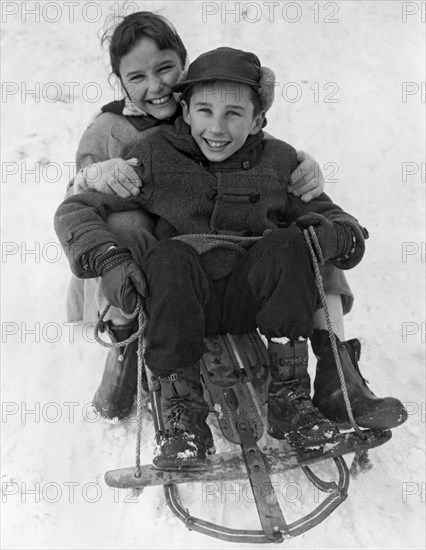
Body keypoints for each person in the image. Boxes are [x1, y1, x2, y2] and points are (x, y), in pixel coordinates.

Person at [55, 47, 407, 469]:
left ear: (258, 121)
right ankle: (182, 417)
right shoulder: (153, 154)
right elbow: (75, 211)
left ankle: (289, 400)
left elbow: (335, 217)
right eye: (205, 111)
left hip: (252, 301)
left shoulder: (277, 161)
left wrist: (337, 235)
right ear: (185, 112)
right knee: (168, 256)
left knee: (288, 243)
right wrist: (109, 259)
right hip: (186, 302)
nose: (217, 128)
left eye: (234, 114)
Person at [65, 11, 349, 422]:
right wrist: (93, 179)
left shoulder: (201, 101)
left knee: (299, 236)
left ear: (183, 64)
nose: (156, 85)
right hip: (147, 258)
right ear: (121, 82)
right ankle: (130, 338)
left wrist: (299, 168)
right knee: (129, 226)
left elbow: (251, 140)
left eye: (165, 69)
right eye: (137, 78)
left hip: (223, 260)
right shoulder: (109, 129)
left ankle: (337, 367)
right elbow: (76, 203)